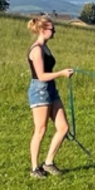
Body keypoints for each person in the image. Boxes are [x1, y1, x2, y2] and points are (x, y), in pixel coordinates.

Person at [26, 16, 75, 178]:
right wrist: (61, 73)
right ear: (42, 30)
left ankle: (48, 163)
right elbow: (40, 75)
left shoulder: (45, 48)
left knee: (63, 127)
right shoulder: (37, 49)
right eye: (52, 30)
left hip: (51, 89)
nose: (54, 32)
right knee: (41, 130)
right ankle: (34, 168)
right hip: (40, 90)